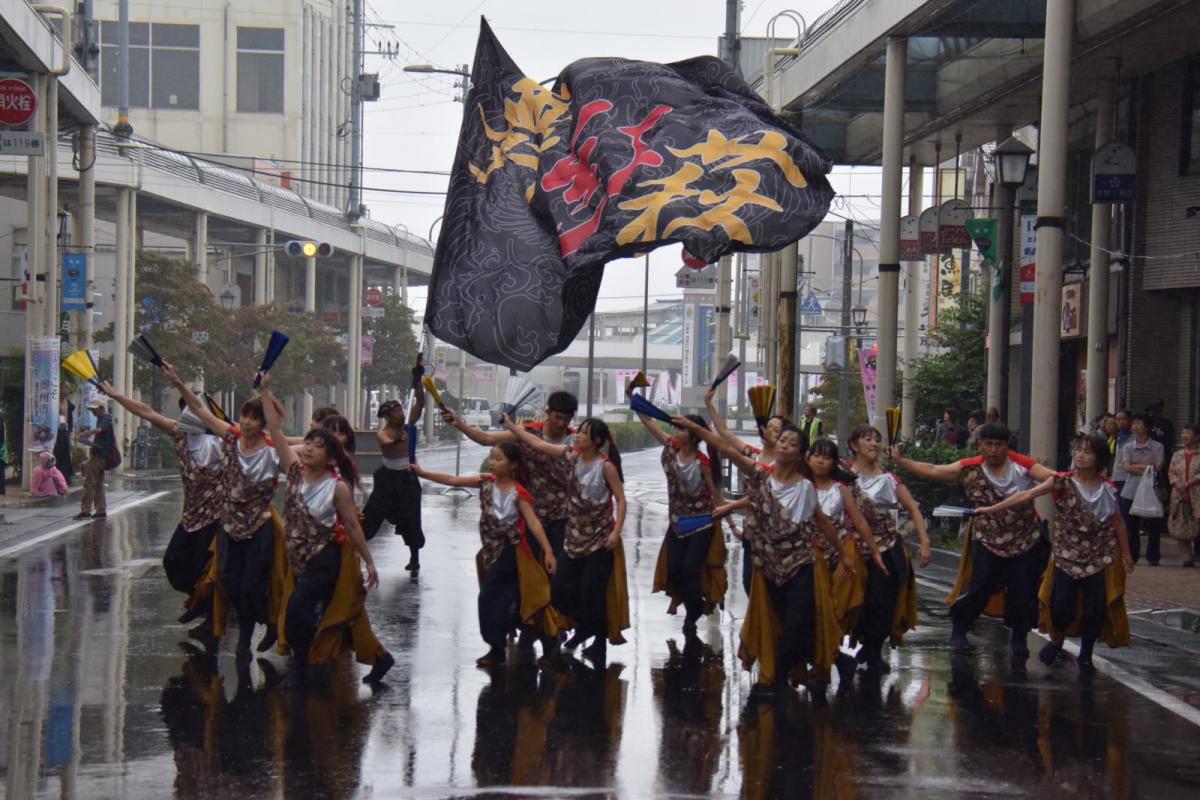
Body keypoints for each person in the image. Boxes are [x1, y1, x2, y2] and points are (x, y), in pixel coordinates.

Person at [682, 417, 850, 692]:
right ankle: (835, 662)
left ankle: (778, 678)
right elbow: (726, 449)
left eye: (791, 443)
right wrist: (697, 429)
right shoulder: (762, 474)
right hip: (768, 564)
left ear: (800, 453)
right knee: (780, 623)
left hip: (801, 563)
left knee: (796, 622)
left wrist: (844, 555)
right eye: (782, 440)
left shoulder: (805, 487)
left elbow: (821, 521)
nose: (784, 446)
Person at [259, 376, 393, 688]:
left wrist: (369, 561)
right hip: (298, 558)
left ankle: (301, 669)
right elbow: (275, 431)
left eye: (318, 447)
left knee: (298, 611)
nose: (308, 449)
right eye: (308, 443)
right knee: (341, 615)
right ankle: (380, 658)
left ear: (332, 458)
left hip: (325, 558)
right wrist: (264, 390)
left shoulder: (338, 487)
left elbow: (354, 527)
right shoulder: (294, 471)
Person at [890, 423, 1053, 666]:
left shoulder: (1023, 465)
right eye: (989, 444)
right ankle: (960, 628)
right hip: (986, 539)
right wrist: (902, 461)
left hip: (1024, 540)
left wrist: (1030, 494)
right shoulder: (970, 467)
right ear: (980, 445)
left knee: (1023, 590)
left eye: (999, 444)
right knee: (978, 586)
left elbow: (1053, 478)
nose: (994, 449)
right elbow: (933, 470)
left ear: (1007, 446)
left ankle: (1019, 637)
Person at [977, 433, 1134, 679]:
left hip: (1099, 556)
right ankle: (1057, 639)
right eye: (1078, 450)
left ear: (1099, 458)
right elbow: (1026, 495)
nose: (1080, 455)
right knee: (1061, 603)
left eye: (1087, 452)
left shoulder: (1108, 489)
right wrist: (991, 509)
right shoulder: (1061, 482)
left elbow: (1118, 523)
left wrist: (1126, 555)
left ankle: (1086, 653)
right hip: (1066, 555)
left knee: (1095, 608)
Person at [443, 390, 580, 662]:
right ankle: (503, 641)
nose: (560, 423)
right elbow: (487, 439)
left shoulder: (574, 441)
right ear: (547, 412)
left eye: (565, 419)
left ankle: (551, 639)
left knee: (550, 583)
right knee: (513, 582)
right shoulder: (527, 433)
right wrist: (459, 423)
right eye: (556, 417)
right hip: (525, 521)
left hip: (561, 521)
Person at [165, 363, 283, 658]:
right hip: (229, 528)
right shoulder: (230, 438)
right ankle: (251, 623)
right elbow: (199, 409)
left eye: (255, 418)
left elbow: (284, 434)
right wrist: (178, 381)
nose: (247, 422)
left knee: (252, 585)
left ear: (264, 423)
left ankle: (254, 634)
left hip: (259, 527)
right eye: (245, 415)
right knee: (228, 584)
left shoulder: (274, 451)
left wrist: (265, 391)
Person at [410, 442, 560, 667]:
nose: (492, 462)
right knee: (516, 602)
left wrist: (548, 551)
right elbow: (453, 480)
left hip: (512, 552)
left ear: (513, 465)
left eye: (498, 459)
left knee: (490, 598)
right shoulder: (485, 482)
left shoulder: (518, 493)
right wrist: (423, 473)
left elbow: (533, 523)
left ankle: (501, 648)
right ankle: (542, 644)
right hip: (491, 550)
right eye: (492, 457)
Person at [501, 413, 628, 664]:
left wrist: (616, 533)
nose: (577, 435)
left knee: (593, 592)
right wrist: (511, 426)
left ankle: (598, 641)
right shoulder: (571, 455)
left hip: (600, 540)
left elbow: (621, 500)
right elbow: (538, 444)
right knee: (558, 591)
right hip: (574, 538)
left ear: (597, 440)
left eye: (584, 433)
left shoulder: (606, 467)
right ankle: (584, 627)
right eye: (578, 431)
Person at [101, 381, 224, 631]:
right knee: (174, 562)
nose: (190, 415)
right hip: (191, 515)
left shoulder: (224, 439)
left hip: (217, 517)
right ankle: (200, 601)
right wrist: (116, 396)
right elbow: (147, 412)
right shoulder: (180, 433)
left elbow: (267, 441)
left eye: (196, 409)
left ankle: (212, 617)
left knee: (207, 569)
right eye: (186, 410)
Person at [635, 409, 726, 637]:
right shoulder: (671, 448)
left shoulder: (703, 463)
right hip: (677, 524)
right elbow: (649, 422)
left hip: (702, 524)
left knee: (690, 569)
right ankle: (694, 606)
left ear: (694, 436)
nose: (676, 431)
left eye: (682, 428)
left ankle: (692, 615)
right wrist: (635, 403)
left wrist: (731, 525)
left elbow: (716, 496)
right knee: (674, 570)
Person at [846, 426, 930, 674]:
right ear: (854, 445)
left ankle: (873, 649)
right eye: (867, 439)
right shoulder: (843, 476)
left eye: (877, 440)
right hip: (852, 547)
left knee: (885, 602)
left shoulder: (890, 479)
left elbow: (913, 509)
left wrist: (925, 542)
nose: (873, 444)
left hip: (887, 547)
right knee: (854, 601)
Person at [804, 438, 888, 681]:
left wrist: (875, 551)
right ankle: (834, 660)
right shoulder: (800, 484)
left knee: (831, 611)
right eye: (816, 455)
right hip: (805, 556)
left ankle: (829, 661)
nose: (820, 461)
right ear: (807, 458)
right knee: (808, 612)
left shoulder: (841, 488)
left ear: (834, 462)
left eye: (827, 456)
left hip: (838, 556)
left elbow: (859, 520)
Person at [704, 383, 789, 595]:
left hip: (775, 533)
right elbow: (724, 432)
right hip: (752, 530)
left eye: (776, 430)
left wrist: (729, 507)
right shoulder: (752, 454)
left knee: (771, 587)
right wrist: (708, 403)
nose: (769, 431)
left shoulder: (783, 468)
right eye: (768, 426)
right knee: (749, 583)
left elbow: (761, 497)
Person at [361, 361, 426, 570]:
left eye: (400, 409)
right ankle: (355, 550)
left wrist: (418, 381)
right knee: (371, 516)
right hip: (387, 479)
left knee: (412, 519)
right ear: (388, 416)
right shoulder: (384, 433)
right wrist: (398, 440)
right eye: (396, 411)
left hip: (407, 476)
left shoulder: (409, 425)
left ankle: (414, 558)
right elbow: (387, 443)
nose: (401, 413)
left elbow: (420, 403)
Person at [1117, 414, 1166, 565]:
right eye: (1134, 424)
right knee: (1131, 526)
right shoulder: (1128, 447)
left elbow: (1157, 468)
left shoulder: (1158, 446)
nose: (1135, 426)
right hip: (1130, 490)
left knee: (1153, 525)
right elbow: (1127, 468)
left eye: (1139, 423)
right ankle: (1133, 555)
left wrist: (1137, 467)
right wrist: (1147, 467)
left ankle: (1153, 556)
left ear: (1147, 427)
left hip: (1151, 489)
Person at [75, 397, 114, 519]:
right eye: (91, 410)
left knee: (90, 483)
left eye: (94, 409)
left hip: (98, 456)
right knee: (98, 484)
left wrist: (85, 434)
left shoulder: (105, 419)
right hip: (102, 455)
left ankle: (86, 510)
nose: (93, 412)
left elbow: (99, 430)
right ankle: (100, 510)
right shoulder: (104, 419)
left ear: (101, 408)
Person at [1168, 423, 1200, 567]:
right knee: (1181, 524)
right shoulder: (1177, 455)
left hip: (1196, 493)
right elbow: (1171, 472)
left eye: (1188, 433)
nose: (1184, 436)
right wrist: (1178, 484)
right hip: (1179, 494)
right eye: (1183, 433)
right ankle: (1186, 557)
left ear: (1196, 437)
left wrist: (1189, 484)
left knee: (1197, 522)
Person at [54, 393, 74, 485]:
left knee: (65, 454)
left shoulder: (68, 403)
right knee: (57, 454)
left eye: (67, 389)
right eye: (64, 388)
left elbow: (69, 417)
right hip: (56, 431)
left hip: (65, 431)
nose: (65, 391)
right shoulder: (55, 401)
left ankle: (65, 477)